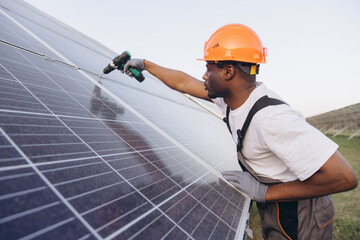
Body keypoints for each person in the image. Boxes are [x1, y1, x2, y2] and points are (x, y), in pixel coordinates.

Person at [122, 24, 358, 240]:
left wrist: (264, 193)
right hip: (279, 201)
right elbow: (183, 83)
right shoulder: (230, 100)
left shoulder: (271, 119)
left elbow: (343, 177)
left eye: (208, 68)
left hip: (300, 211)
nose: (204, 76)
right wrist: (146, 65)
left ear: (228, 71)